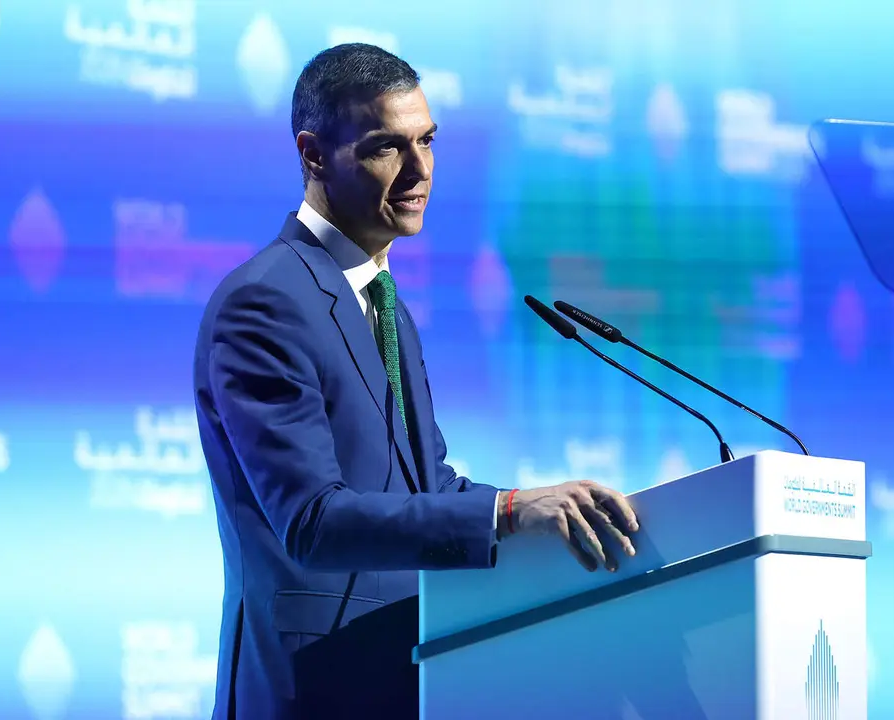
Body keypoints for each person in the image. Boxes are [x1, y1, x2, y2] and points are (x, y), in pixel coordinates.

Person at [193, 42, 639, 720]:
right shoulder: (266, 301)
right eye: (386, 148)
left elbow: (426, 487)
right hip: (312, 689)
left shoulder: (385, 305)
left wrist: (547, 508)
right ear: (314, 155)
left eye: (427, 141)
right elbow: (312, 521)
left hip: (408, 682)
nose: (420, 169)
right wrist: (510, 512)